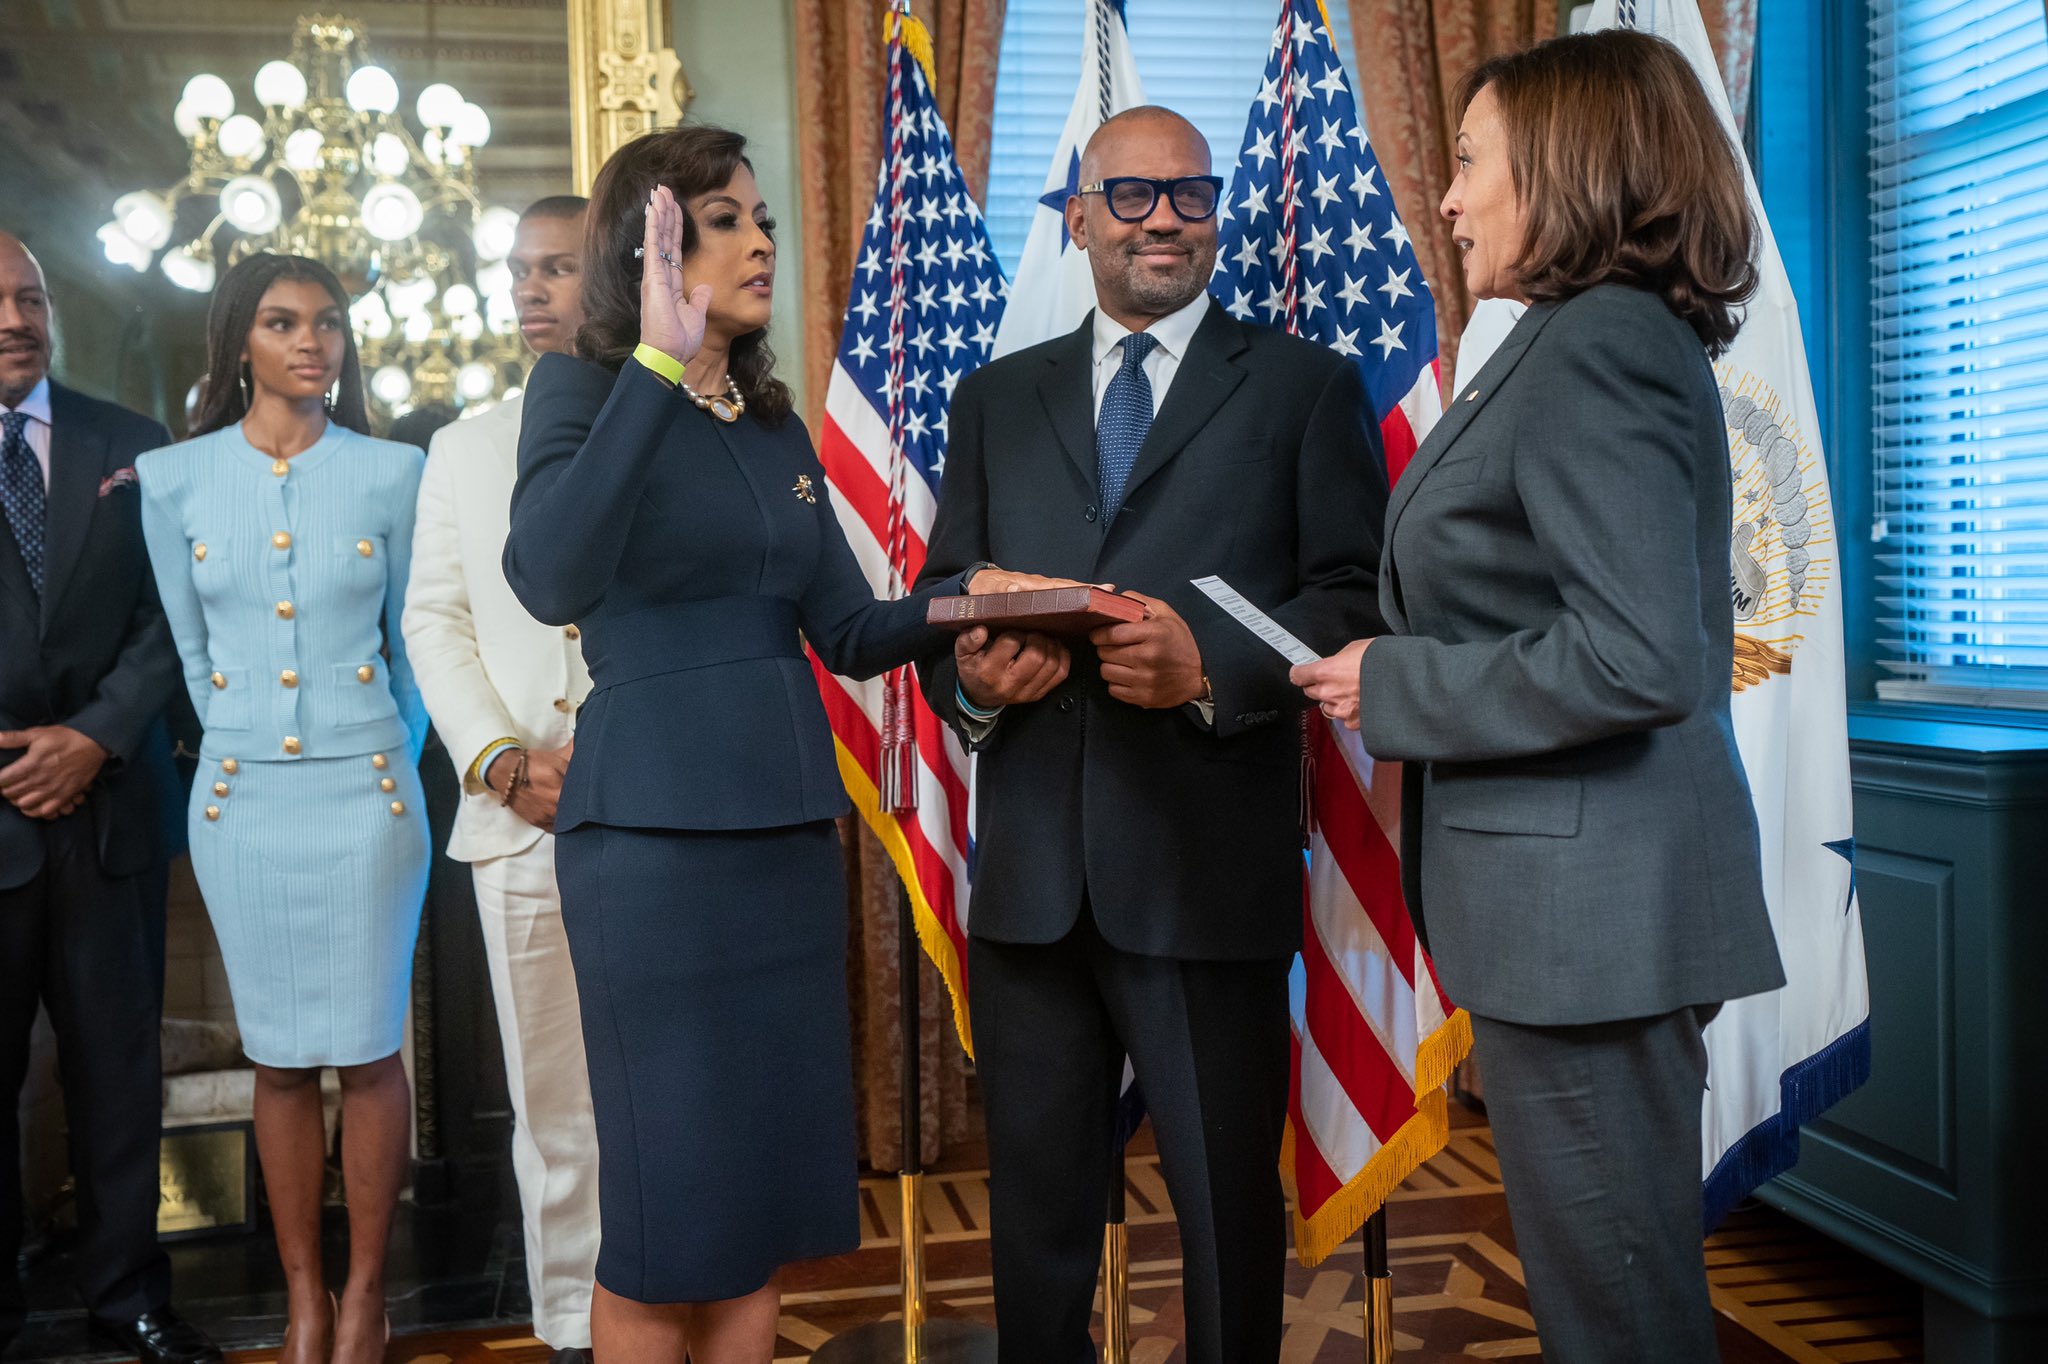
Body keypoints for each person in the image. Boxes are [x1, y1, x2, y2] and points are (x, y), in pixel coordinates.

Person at [501, 125, 1046, 1363]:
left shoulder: (770, 423)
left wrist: (977, 603)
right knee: (662, 1216)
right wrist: (654, 361)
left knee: (750, 1213)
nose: (762, 242)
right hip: (650, 853)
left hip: (784, 844)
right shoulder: (581, 390)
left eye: (763, 218)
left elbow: (849, 628)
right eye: (730, 220)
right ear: (650, 246)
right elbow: (547, 570)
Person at [1290, 31, 1787, 1363]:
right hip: (1572, 921)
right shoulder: (1580, 338)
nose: (1445, 203)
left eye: (1468, 165)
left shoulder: (1598, 347)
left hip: (1594, 930)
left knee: (1619, 1314)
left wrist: (1403, 679)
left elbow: (1639, 656)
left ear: (1567, 168)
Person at [914, 105, 1388, 1363]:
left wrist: (1206, 666)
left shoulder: (1304, 386)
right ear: (1076, 218)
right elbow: (944, 598)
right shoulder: (993, 399)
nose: (1162, 217)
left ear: (1216, 209)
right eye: (1128, 195)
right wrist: (973, 676)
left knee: (1226, 1214)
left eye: (1188, 192)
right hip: (1029, 888)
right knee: (1036, 1224)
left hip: (1204, 874)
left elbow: (1351, 601)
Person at [137, 252, 430, 1364]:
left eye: (330, 324)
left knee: (364, 1050)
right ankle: (303, 1295)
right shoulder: (173, 481)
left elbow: (413, 654)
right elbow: (193, 651)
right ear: (238, 343)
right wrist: (250, 741)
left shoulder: (396, 473)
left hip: (366, 798)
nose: (313, 342)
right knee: (276, 1056)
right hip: (242, 799)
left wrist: (384, 762)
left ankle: (365, 1293)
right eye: (282, 322)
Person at [0, 232, 221, 1364]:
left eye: (30, 295)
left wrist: (92, 735)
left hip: (111, 812)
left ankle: (129, 1296)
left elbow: (168, 617)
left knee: (119, 1075)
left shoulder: (131, 444)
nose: (15, 316)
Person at [401, 193, 600, 1364]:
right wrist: (502, 760)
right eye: (520, 270)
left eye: (560, 268)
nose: (531, 290)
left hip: (655, 811)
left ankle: (676, 1303)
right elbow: (435, 620)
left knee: (668, 1088)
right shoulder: (465, 446)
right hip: (518, 819)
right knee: (555, 1103)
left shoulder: (671, 426)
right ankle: (576, 1326)